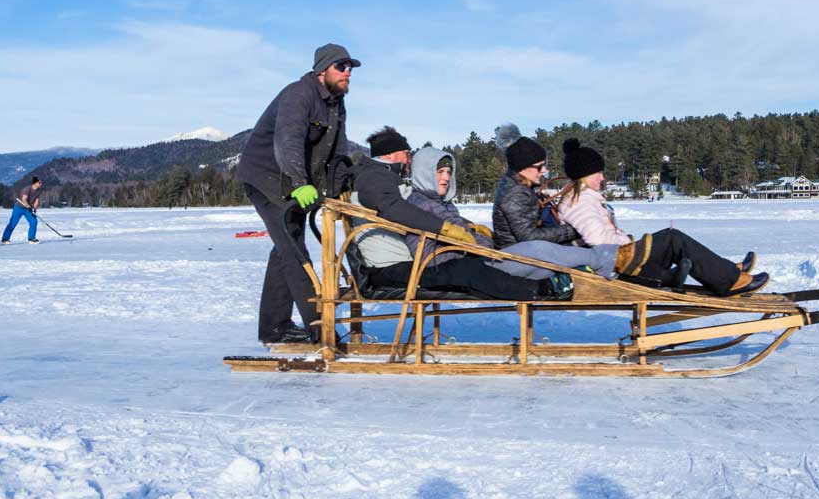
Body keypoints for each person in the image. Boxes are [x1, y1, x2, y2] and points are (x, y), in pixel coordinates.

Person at [352, 128, 570, 300]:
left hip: (402, 261)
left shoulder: (382, 177)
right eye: (407, 154)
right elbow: (394, 208)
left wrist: (467, 225)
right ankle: (540, 289)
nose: (409, 160)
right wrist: (445, 229)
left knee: (466, 267)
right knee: (465, 270)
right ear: (391, 154)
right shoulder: (373, 178)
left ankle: (541, 278)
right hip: (389, 269)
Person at [235, 42, 356, 344]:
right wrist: (300, 182)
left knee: (285, 248)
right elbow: (287, 142)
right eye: (341, 67)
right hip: (267, 178)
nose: (348, 73)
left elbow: (337, 152)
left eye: (350, 68)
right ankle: (320, 330)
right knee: (294, 251)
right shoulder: (298, 95)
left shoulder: (336, 104)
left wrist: (341, 187)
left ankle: (274, 327)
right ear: (322, 70)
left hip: (295, 184)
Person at [555, 139, 768, 296]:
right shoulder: (578, 200)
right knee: (673, 238)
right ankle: (728, 279)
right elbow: (597, 239)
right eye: (597, 173)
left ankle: (725, 271)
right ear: (583, 174)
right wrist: (628, 243)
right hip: (614, 264)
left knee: (673, 240)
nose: (602, 177)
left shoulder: (585, 197)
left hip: (616, 260)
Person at [491, 134, 621, 279]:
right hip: (515, 259)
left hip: (519, 254)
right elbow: (529, 237)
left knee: (567, 252)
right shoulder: (514, 193)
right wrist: (572, 230)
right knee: (584, 255)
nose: (544, 170)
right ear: (522, 168)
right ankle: (608, 264)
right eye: (539, 166)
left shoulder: (519, 187)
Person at [1, 176, 42, 244]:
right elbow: (24, 199)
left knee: (34, 221)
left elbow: (36, 202)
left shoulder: (38, 191)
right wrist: (29, 207)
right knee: (13, 223)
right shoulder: (27, 189)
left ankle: (31, 238)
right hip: (19, 207)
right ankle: (5, 239)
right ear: (35, 183)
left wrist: (34, 210)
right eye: (39, 182)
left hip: (28, 209)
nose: (41, 184)